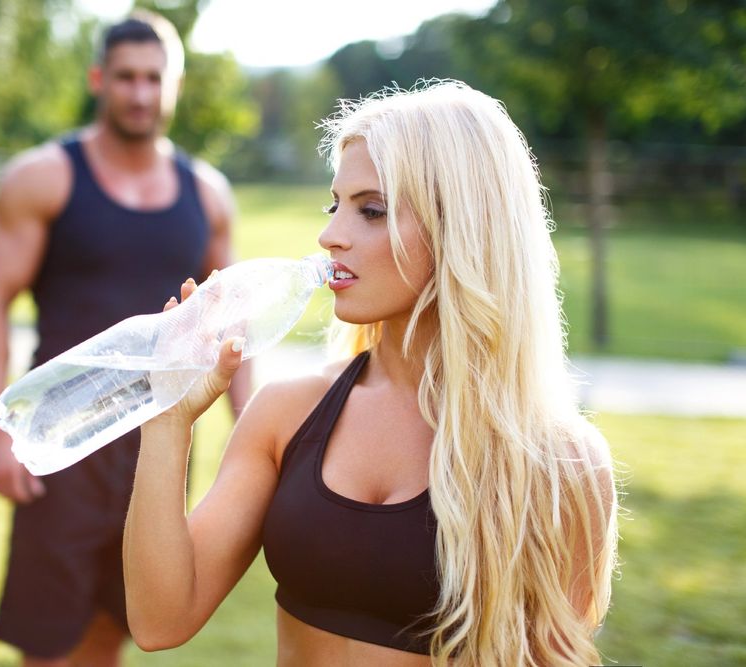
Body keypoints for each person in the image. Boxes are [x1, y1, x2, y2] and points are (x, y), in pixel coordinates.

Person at [123, 80, 620, 666]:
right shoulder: (288, 413)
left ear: (460, 227)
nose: (330, 235)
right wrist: (167, 419)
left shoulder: (559, 462)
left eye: (372, 210)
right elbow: (160, 619)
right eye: (335, 204)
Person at [0, 11, 250, 667]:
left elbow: (228, 329)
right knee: (48, 636)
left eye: (155, 79)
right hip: (61, 440)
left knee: (118, 625)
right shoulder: (44, 177)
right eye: (125, 77)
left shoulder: (208, 195)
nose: (140, 93)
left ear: (173, 85)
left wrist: (245, 443)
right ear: (99, 79)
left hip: (160, 445)